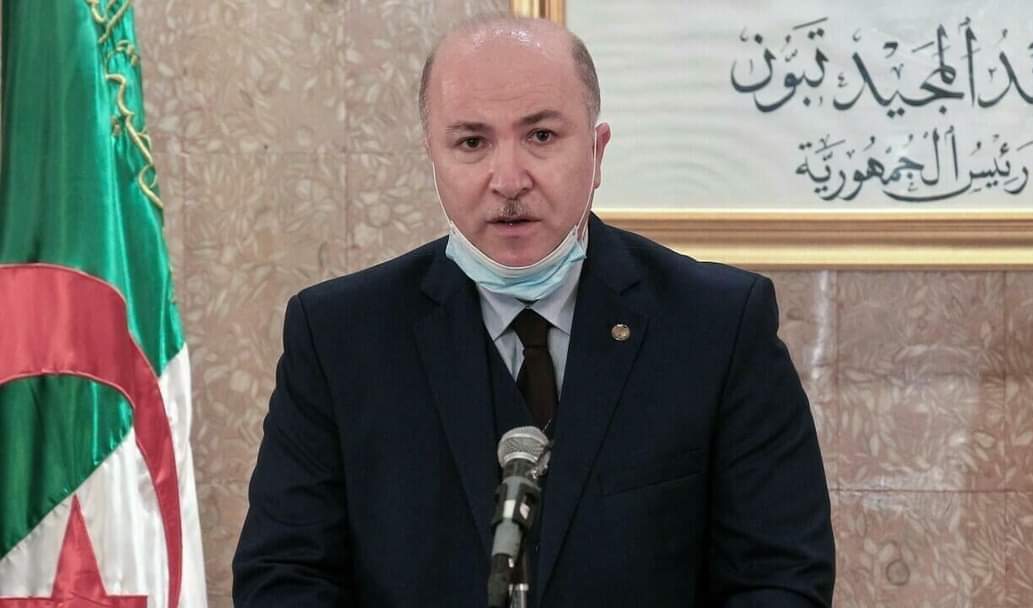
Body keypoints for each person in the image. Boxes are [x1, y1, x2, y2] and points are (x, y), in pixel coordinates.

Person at [233, 15, 835, 607]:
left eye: (541, 136)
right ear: (432, 157)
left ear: (597, 152)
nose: (508, 179)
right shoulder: (339, 337)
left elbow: (781, 577)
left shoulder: (718, 327)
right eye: (472, 142)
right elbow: (283, 578)